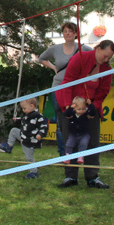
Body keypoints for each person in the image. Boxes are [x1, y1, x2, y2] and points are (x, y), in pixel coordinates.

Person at [55, 39, 114, 189]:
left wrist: (92, 108)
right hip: (70, 105)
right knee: (70, 142)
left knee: (92, 143)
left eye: (109, 58)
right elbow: (68, 82)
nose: (106, 60)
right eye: (105, 56)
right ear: (98, 48)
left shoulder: (107, 70)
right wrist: (69, 107)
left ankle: (92, 178)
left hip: (91, 110)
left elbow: (103, 93)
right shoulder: (79, 58)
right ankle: (70, 177)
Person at [38, 22, 91, 157]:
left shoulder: (83, 48)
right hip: (59, 88)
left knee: (77, 119)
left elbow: (96, 57)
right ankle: (63, 153)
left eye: (70, 31)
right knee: (62, 121)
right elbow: (42, 58)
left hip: (75, 89)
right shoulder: (56, 48)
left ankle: (77, 152)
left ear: (75, 34)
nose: (67, 34)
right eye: (65, 31)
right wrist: (54, 68)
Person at [0, 98, 49, 179]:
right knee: (14, 131)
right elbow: (23, 120)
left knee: (29, 158)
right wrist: (17, 120)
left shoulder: (38, 116)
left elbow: (44, 126)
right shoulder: (28, 115)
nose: (23, 110)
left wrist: (41, 134)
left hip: (30, 141)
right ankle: (9, 146)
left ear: (32, 106)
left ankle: (34, 172)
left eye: (24, 108)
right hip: (24, 136)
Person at [63, 96, 98, 164]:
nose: (81, 111)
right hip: (73, 134)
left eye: (83, 109)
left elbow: (93, 112)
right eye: (79, 109)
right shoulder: (72, 114)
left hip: (84, 134)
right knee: (69, 144)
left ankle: (80, 156)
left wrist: (90, 104)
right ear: (74, 108)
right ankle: (67, 156)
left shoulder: (86, 115)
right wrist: (70, 107)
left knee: (84, 144)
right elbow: (66, 114)